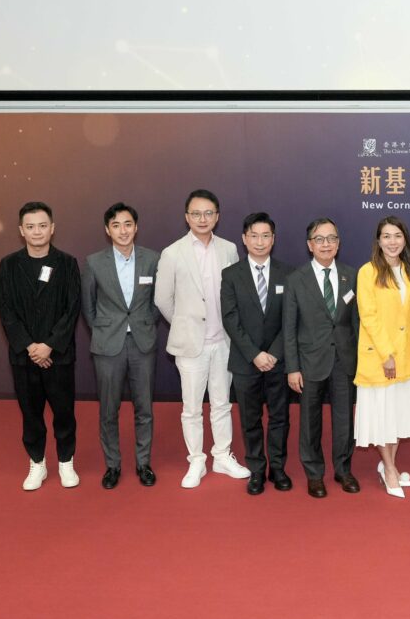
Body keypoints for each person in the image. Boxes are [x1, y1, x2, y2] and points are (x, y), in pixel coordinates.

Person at [155, 189, 249, 488]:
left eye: (208, 213)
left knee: (222, 403)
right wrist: (184, 324)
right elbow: (162, 299)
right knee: (192, 408)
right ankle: (196, 460)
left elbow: (235, 295)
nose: (202, 218)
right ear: (187, 217)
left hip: (224, 342)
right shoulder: (172, 253)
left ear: (217, 217)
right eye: (196, 213)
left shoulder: (230, 249)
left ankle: (222, 455)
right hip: (191, 345)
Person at [0, 201, 81, 490]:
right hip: (25, 357)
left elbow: (72, 309)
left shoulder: (67, 263)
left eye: (42, 225)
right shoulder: (8, 265)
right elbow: (5, 310)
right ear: (21, 231)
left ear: (52, 228)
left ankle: (66, 462)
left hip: (59, 356)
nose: (37, 232)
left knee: (64, 412)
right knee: (31, 414)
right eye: (30, 227)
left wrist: (50, 346)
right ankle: (37, 464)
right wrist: (31, 347)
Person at [80, 202, 160, 490]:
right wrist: (105, 330)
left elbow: (157, 304)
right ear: (107, 230)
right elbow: (87, 308)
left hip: (142, 343)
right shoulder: (93, 262)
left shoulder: (153, 259)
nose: (123, 230)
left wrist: (143, 324)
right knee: (108, 410)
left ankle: (143, 463)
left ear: (136, 227)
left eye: (128, 224)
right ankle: (112, 465)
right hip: (107, 345)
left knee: (145, 408)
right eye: (116, 225)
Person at [284, 218, 360, 498]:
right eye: (320, 239)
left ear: (338, 244)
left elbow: (357, 323)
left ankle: (343, 470)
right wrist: (292, 368)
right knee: (310, 422)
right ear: (309, 245)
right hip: (309, 362)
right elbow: (289, 327)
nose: (326, 244)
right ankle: (314, 474)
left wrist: (360, 362)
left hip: (344, 361)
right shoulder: (295, 279)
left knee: (344, 420)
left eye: (331, 239)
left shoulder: (352, 276)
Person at [220, 213, 294, 496]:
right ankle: (256, 470)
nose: (260, 241)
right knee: (250, 419)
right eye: (254, 235)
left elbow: (291, 319)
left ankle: (277, 468)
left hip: (278, 359)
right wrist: (254, 354)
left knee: (279, 417)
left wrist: (273, 353)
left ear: (273, 239)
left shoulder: (288, 274)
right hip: (245, 360)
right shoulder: (231, 275)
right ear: (244, 238)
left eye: (266, 236)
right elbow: (230, 318)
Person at [353, 216, 410, 498]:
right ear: (378, 241)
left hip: (406, 356)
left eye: (397, 236)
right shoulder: (367, 272)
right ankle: (390, 468)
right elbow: (368, 317)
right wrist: (387, 355)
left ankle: (388, 466)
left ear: (404, 239)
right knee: (382, 415)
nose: (392, 241)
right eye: (386, 236)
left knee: (396, 415)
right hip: (380, 356)